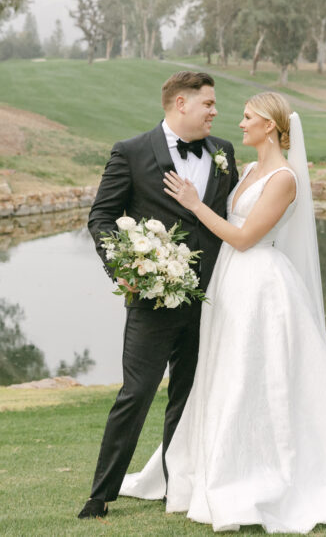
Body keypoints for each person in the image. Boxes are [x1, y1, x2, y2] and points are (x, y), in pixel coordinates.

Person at [120, 92, 326, 532]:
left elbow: (245, 236)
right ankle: (208, 467)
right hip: (229, 282)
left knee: (254, 373)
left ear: (270, 126)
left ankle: (258, 470)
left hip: (261, 286)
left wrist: (195, 204)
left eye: (248, 117)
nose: (241, 123)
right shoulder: (248, 170)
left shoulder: (285, 178)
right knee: (224, 372)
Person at [77, 71, 240, 520]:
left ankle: (179, 487)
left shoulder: (223, 152)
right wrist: (124, 268)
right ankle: (100, 495)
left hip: (210, 299)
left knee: (188, 397)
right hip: (152, 298)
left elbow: (228, 217)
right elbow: (102, 217)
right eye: (208, 103)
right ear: (180, 104)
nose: (215, 111)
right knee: (137, 392)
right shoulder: (130, 152)